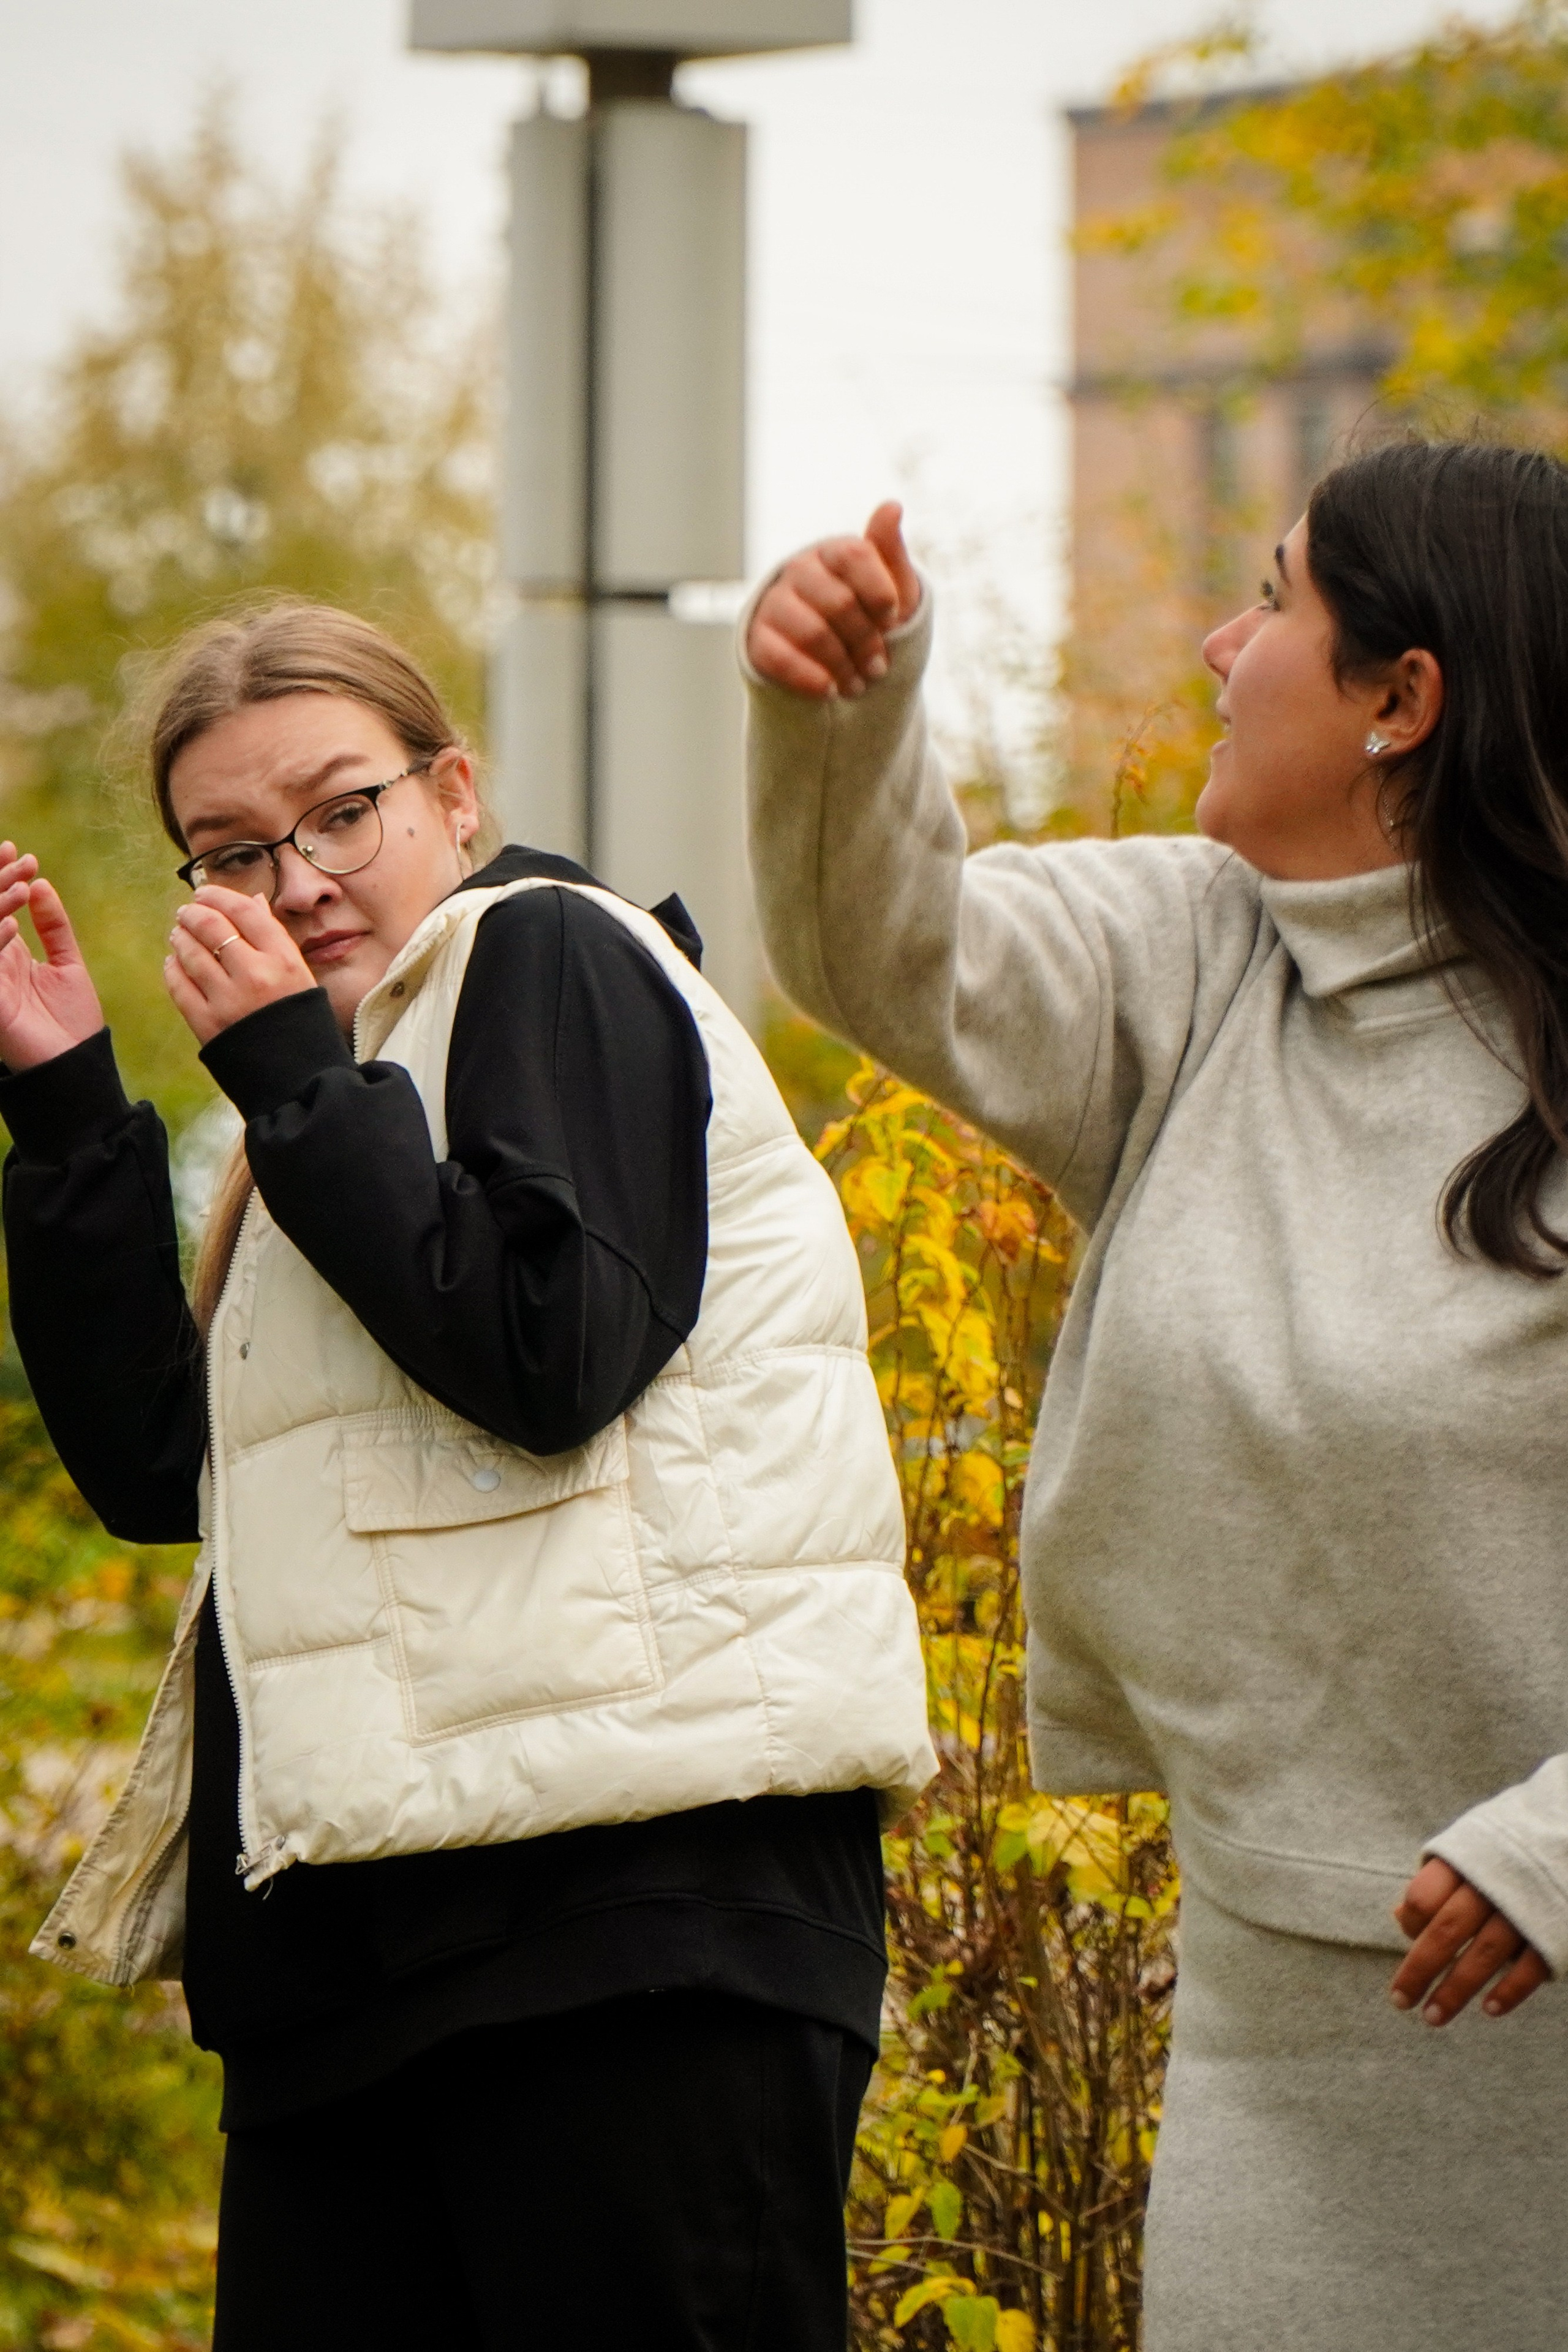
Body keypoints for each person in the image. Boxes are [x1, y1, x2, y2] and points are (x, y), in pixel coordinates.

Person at [0, 599, 935, 2351]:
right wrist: (62, 1110)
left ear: (452, 792)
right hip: (364, 1951)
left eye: (339, 812)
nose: (293, 882)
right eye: (229, 855)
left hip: (626, 1935)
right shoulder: (332, 1108)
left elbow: (552, 1348)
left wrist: (283, 1075)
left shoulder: (549, 950)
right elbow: (159, 1465)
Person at [742, 440, 1568, 2351]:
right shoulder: (1200, 955)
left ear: (1401, 700)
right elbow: (900, 953)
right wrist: (851, 712)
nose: (1219, 640)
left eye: (1273, 598)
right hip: (1286, 2029)